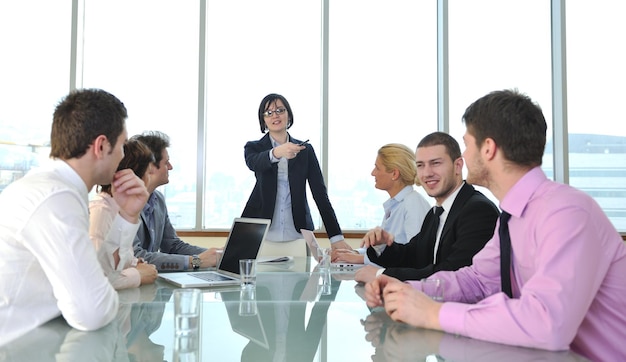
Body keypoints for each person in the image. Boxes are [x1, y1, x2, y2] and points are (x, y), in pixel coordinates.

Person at [364, 89, 626, 361]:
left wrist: (435, 313)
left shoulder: (566, 212)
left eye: (467, 144)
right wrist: (406, 290)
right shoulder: (512, 217)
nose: (463, 155)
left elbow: (548, 324)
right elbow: (476, 280)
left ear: (488, 148)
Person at [0, 88, 147, 346]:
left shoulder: (55, 189)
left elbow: (98, 282)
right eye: (122, 145)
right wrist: (106, 288)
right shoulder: (56, 198)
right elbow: (94, 310)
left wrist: (127, 216)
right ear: (102, 146)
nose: (124, 155)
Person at [355, 132, 499, 283]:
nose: (427, 173)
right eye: (420, 165)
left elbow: (452, 274)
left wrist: (381, 275)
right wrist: (382, 245)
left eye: (435, 163)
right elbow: (412, 256)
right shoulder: (436, 213)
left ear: (458, 166)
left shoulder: (477, 211)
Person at [242, 93, 350, 253]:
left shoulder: (305, 150)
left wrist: (336, 238)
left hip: (298, 234)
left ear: (288, 115)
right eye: (269, 112)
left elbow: (320, 194)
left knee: (302, 277)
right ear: (263, 119)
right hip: (262, 233)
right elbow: (254, 163)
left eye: (280, 110)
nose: (275, 115)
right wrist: (278, 152)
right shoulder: (254, 147)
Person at [132, 131, 220, 271]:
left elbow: (172, 245)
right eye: (166, 162)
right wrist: (197, 261)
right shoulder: (121, 202)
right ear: (150, 167)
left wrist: (217, 255)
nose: (171, 167)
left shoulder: (158, 199)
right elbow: (135, 257)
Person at [332, 143, 431, 265]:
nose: (373, 173)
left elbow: (414, 256)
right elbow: (384, 251)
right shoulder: (397, 204)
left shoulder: (413, 204)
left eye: (377, 168)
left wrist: (360, 259)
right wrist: (354, 253)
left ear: (394, 174)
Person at [90, 138, 159, 289]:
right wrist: (138, 275)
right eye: (149, 172)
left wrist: (135, 263)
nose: (150, 178)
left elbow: (118, 260)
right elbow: (96, 279)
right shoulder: (101, 211)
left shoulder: (121, 210)